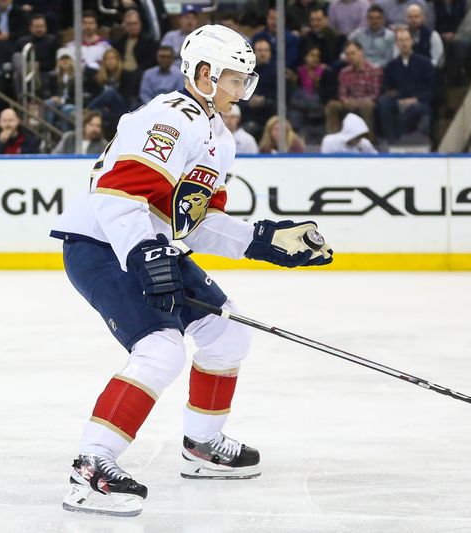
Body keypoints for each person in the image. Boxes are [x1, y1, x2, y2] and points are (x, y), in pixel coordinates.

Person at [50, 24, 333, 517]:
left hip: (148, 247)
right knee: (160, 349)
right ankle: (91, 466)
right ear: (204, 74)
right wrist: (146, 254)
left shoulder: (221, 137)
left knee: (227, 335)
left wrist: (262, 242)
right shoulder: (167, 116)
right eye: (232, 77)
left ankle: (201, 446)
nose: (241, 87)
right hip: (100, 244)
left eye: (244, 78)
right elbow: (119, 195)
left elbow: (195, 224)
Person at [377, 28, 435, 145]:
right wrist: (399, 99)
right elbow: (387, 89)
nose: (404, 43)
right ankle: (391, 141)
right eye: (401, 40)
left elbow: (432, 88)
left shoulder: (424, 63)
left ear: (411, 41)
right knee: (383, 103)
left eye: (406, 40)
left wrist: (416, 99)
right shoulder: (391, 66)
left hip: (420, 101)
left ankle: (406, 141)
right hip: (399, 101)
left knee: (415, 109)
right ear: (396, 44)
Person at [325, 40, 382, 133]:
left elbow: (375, 94)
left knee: (367, 105)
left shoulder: (374, 70)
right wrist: (346, 101)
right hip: (349, 103)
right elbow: (342, 94)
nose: (350, 57)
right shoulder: (344, 72)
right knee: (332, 105)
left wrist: (358, 102)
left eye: (353, 53)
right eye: (348, 55)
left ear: (361, 52)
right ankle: (334, 140)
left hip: (366, 103)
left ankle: (366, 139)